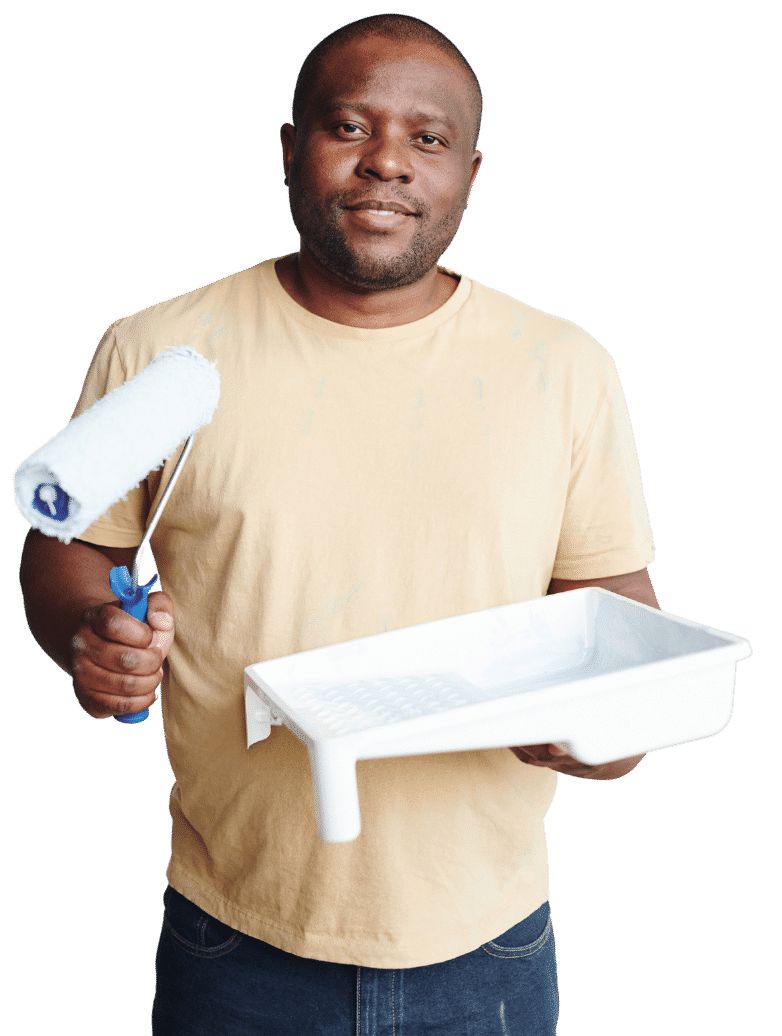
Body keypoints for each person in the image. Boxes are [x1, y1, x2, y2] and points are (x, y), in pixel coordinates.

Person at [18, 13, 658, 1035]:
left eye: (427, 139)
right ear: (290, 148)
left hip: (487, 938)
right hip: (236, 929)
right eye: (349, 126)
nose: (386, 162)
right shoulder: (162, 350)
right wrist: (90, 634)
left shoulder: (565, 367)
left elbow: (612, 601)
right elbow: (70, 550)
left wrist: (617, 723)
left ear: (469, 175)